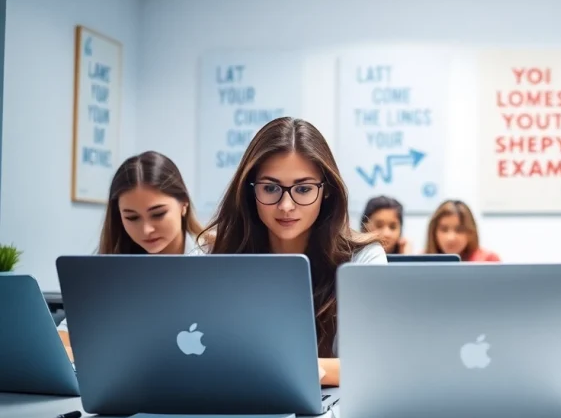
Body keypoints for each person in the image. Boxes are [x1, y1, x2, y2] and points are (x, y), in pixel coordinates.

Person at [201, 117, 386, 387]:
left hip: (329, 409)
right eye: (270, 188)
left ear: (326, 191)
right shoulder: (213, 256)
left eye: (303, 189)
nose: (286, 205)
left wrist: (268, 368)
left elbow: (372, 366)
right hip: (232, 402)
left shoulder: (363, 259)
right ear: (250, 191)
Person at [57, 151, 205, 360]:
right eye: (132, 218)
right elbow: (67, 332)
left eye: (158, 214)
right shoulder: (110, 269)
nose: (146, 230)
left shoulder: (217, 255)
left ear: (184, 204)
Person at [424, 199, 499, 262]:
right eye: (444, 229)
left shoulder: (488, 260)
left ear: (470, 232)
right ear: (433, 232)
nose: (451, 238)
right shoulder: (421, 261)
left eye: (459, 230)